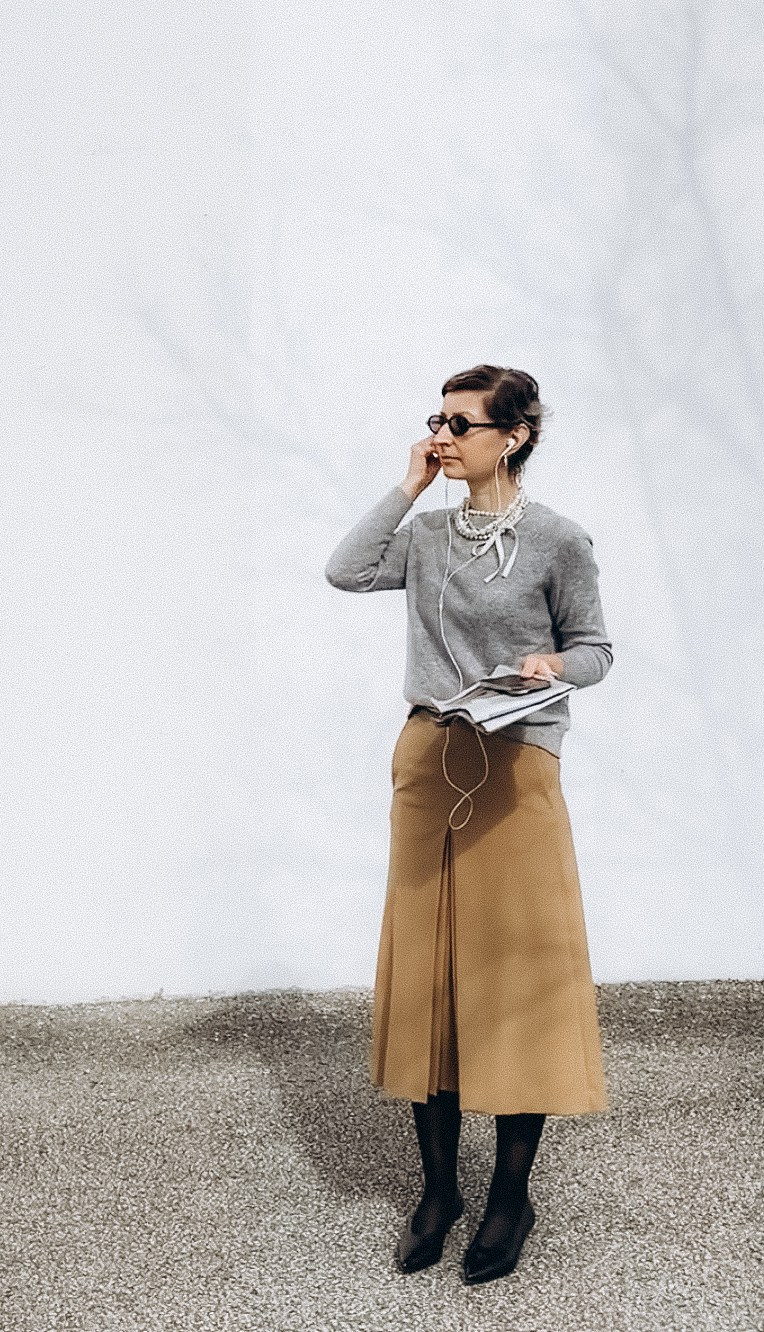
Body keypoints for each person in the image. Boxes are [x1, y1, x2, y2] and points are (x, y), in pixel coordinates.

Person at [324, 364, 613, 1285]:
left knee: (513, 974)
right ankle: (438, 1188)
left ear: (514, 434)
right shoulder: (430, 535)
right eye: (435, 421)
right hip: (430, 761)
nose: (441, 436)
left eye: (460, 424)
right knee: (433, 977)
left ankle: (508, 1198)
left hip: (516, 766)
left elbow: (597, 649)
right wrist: (409, 483)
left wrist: (552, 665)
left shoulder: (560, 541)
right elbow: (346, 569)